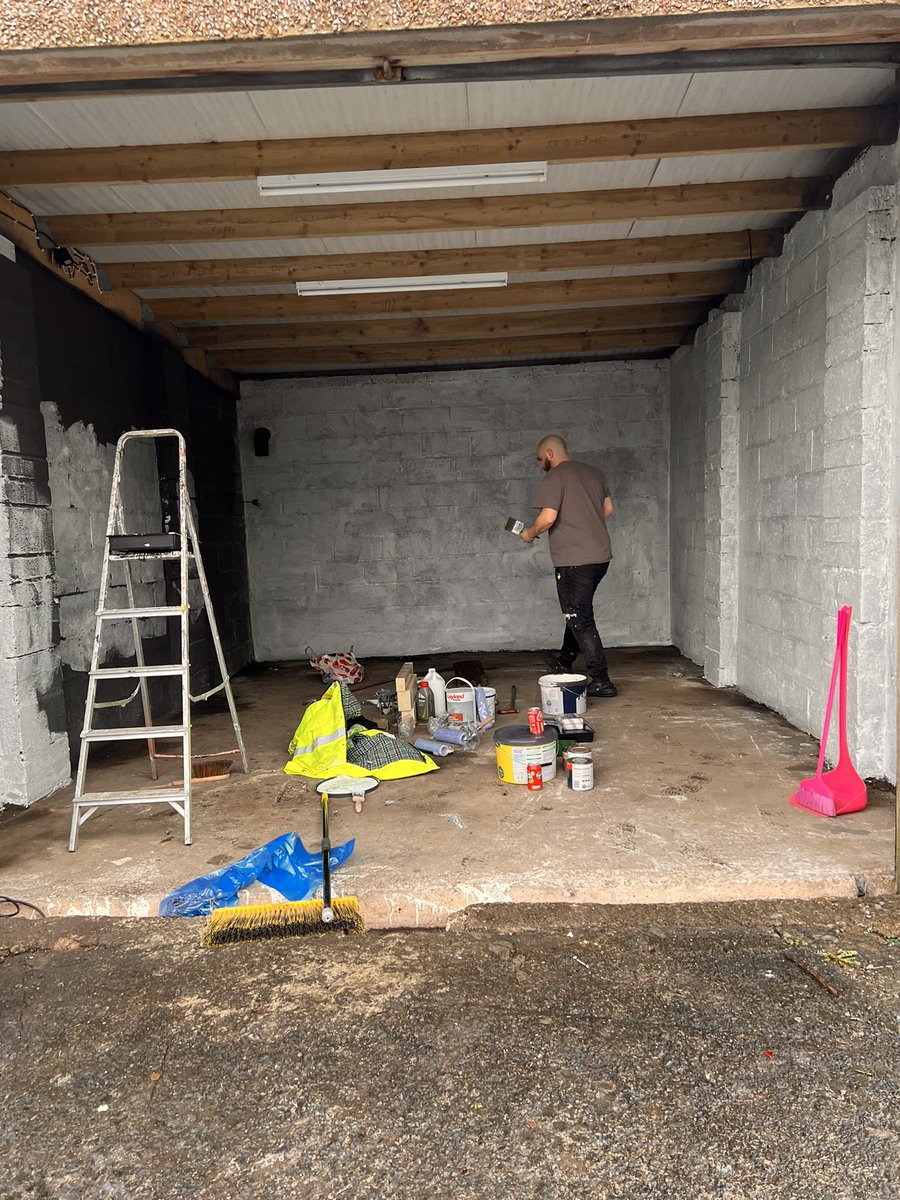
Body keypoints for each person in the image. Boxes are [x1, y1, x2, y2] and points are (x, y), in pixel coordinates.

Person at [519, 434, 617, 698]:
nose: (540, 464)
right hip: (599, 557)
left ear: (550, 453)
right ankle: (564, 659)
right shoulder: (594, 473)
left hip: (574, 561)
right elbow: (607, 509)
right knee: (576, 610)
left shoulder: (555, 476)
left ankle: (601, 680)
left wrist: (529, 534)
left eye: (540, 458)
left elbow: (548, 517)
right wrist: (583, 519)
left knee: (579, 617)